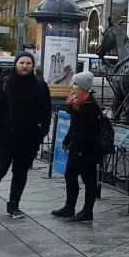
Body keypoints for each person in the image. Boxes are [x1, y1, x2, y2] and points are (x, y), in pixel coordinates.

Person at [0, 52, 52, 218]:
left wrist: (41, 133)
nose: (24, 66)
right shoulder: (3, 84)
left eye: (28, 63)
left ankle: (13, 205)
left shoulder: (40, 85)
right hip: (5, 138)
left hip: (28, 139)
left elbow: (46, 112)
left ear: (32, 66)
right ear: (16, 64)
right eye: (21, 63)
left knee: (20, 173)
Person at [52, 71, 101, 222]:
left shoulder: (88, 105)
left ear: (82, 87)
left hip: (86, 150)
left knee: (88, 179)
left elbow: (84, 130)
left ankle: (87, 211)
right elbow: (74, 125)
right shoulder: (77, 102)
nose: (71, 86)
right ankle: (69, 207)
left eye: (75, 84)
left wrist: (76, 148)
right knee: (70, 175)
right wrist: (67, 141)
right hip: (78, 148)